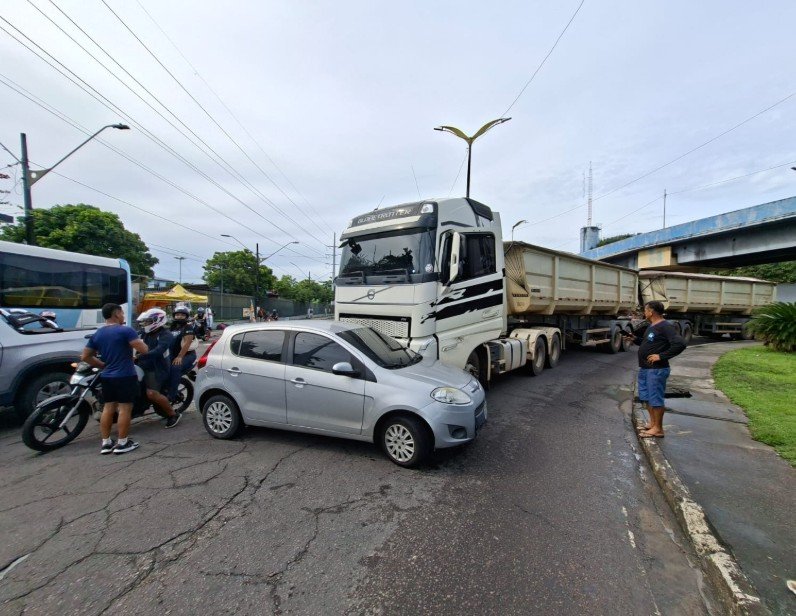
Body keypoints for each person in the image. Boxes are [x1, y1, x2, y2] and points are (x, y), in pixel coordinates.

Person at [81, 303, 148, 454]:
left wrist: (102, 365)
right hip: (125, 375)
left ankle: (105, 443)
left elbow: (85, 356)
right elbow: (143, 349)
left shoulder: (98, 334)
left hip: (107, 377)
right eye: (122, 313)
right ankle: (122, 443)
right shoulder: (126, 331)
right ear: (116, 313)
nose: (123, 316)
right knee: (124, 409)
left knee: (108, 407)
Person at [624, 300, 686, 439]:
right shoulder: (652, 326)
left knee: (655, 399)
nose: (644, 313)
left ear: (651, 312)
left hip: (656, 370)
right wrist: (634, 339)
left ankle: (658, 429)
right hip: (646, 369)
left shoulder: (665, 326)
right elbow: (649, 343)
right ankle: (652, 424)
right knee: (647, 398)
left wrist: (661, 356)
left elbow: (680, 344)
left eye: (645, 310)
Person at [135, 308, 181, 428]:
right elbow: (134, 342)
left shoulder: (166, 335)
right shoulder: (144, 333)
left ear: (157, 320)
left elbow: (158, 351)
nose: (145, 324)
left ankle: (172, 414)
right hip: (142, 365)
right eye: (145, 322)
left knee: (151, 393)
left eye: (148, 321)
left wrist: (140, 355)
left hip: (157, 368)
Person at [166, 306, 197, 403]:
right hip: (172, 354)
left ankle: (172, 394)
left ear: (186, 316)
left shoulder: (188, 327)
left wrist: (180, 356)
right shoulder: (172, 327)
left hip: (187, 355)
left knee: (175, 367)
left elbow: (187, 343)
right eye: (177, 314)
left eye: (182, 315)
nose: (179, 316)